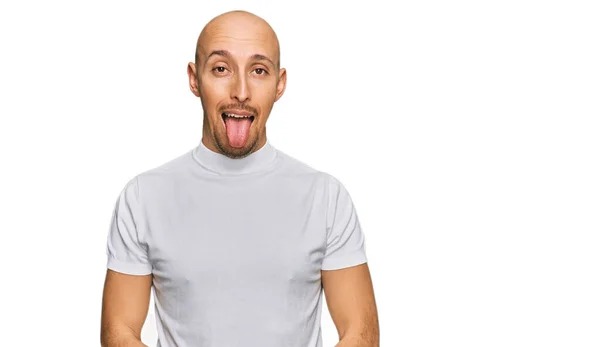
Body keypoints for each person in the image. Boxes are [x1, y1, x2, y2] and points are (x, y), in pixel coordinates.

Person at [100, 10, 379, 347]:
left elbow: (360, 333)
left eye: (258, 71)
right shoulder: (143, 197)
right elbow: (119, 331)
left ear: (280, 84)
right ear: (194, 79)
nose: (241, 91)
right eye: (221, 69)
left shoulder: (326, 197)